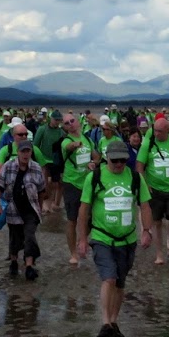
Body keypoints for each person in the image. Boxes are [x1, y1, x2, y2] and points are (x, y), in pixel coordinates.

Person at [76, 140, 154, 337]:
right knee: (108, 278)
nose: (119, 164)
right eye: (115, 161)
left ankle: (113, 321)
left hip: (127, 240)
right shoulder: (95, 177)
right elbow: (83, 210)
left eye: (123, 160)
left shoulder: (135, 178)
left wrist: (146, 230)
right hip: (102, 237)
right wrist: (83, 239)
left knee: (119, 283)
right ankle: (105, 323)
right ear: (106, 159)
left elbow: (144, 206)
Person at [136, 115, 169, 265]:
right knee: (157, 223)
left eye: (159, 131)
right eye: (155, 130)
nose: (156, 133)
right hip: (155, 189)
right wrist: (144, 186)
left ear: (168, 130)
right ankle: (159, 254)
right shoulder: (148, 143)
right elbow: (139, 166)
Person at [0, 138, 47, 280]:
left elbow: (42, 190)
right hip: (13, 209)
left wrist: (40, 207)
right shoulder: (8, 166)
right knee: (15, 237)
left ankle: (29, 265)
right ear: (18, 152)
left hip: (31, 209)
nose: (26, 154)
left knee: (30, 236)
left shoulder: (36, 168)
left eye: (28, 151)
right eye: (23, 151)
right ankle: (14, 261)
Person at [58, 112, 99, 266]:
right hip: (71, 183)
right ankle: (73, 253)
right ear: (65, 127)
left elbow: (96, 156)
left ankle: (82, 240)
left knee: (91, 218)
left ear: (77, 121)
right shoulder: (66, 141)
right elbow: (67, 147)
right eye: (67, 123)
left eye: (72, 121)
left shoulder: (87, 139)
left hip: (87, 183)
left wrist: (92, 163)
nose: (70, 124)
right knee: (72, 219)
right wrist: (74, 145)